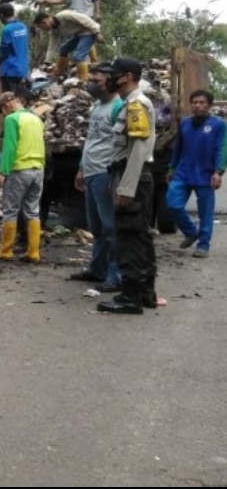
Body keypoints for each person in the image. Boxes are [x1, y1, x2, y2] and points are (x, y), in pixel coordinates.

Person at [94, 57, 157, 314]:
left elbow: (138, 149)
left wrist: (126, 188)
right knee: (140, 236)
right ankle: (145, 293)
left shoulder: (135, 105)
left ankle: (130, 298)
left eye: (114, 74)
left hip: (133, 176)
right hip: (134, 175)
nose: (109, 79)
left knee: (130, 238)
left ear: (128, 76)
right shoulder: (131, 103)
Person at [70, 64, 124, 291]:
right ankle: (97, 269)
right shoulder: (97, 107)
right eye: (90, 79)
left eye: (96, 80)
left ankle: (115, 276)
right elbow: (91, 140)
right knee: (96, 227)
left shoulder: (119, 106)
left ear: (111, 82)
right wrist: (81, 168)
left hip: (105, 173)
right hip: (91, 172)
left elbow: (122, 145)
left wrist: (115, 177)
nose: (91, 84)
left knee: (110, 227)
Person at [166, 89, 227, 259]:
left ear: (209, 105)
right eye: (194, 102)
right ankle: (191, 232)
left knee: (205, 212)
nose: (198, 105)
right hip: (183, 172)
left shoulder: (218, 124)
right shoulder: (185, 123)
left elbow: (222, 149)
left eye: (202, 102)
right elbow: (178, 147)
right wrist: (172, 167)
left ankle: (203, 245)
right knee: (172, 203)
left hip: (205, 174)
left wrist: (218, 171)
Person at [0, 92, 45, 263]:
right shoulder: (36, 118)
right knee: (32, 211)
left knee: (10, 210)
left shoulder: (12, 119)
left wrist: (2, 172)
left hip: (20, 171)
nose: (3, 113)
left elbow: (10, 147)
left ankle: (6, 250)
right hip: (38, 170)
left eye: (2, 110)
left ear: (6, 104)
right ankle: (34, 252)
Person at [33, 10, 104, 82]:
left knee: (78, 56)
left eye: (41, 27)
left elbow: (85, 19)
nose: (43, 29)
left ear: (44, 22)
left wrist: (97, 32)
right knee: (63, 50)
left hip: (89, 32)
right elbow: (52, 46)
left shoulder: (63, 16)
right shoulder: (54, 31)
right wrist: (47, 62)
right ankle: (59, 72)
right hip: (78, 35)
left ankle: (83, 80)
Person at [0, 2, 31, 103]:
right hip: (23, 69)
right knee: (22, 99)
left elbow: (4, 50)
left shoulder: (6, 30)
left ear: (1, 15)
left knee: (10, 101)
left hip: (10, 70)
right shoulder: (23, 27)